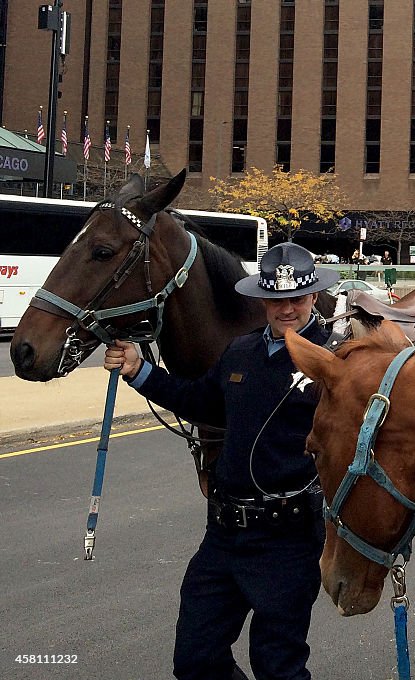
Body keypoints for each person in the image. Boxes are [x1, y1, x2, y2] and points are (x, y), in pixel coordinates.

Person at [104, 243, 339, 679]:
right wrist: (140, 371)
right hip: (223, 538)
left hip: (286, 541)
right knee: (195, 659)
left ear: (313, 298)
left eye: (296, 299)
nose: (286, 309)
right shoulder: (239, 351)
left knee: (278, 665)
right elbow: (202, 403)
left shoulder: (337, 361)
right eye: (275, 299)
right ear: (262, 300)